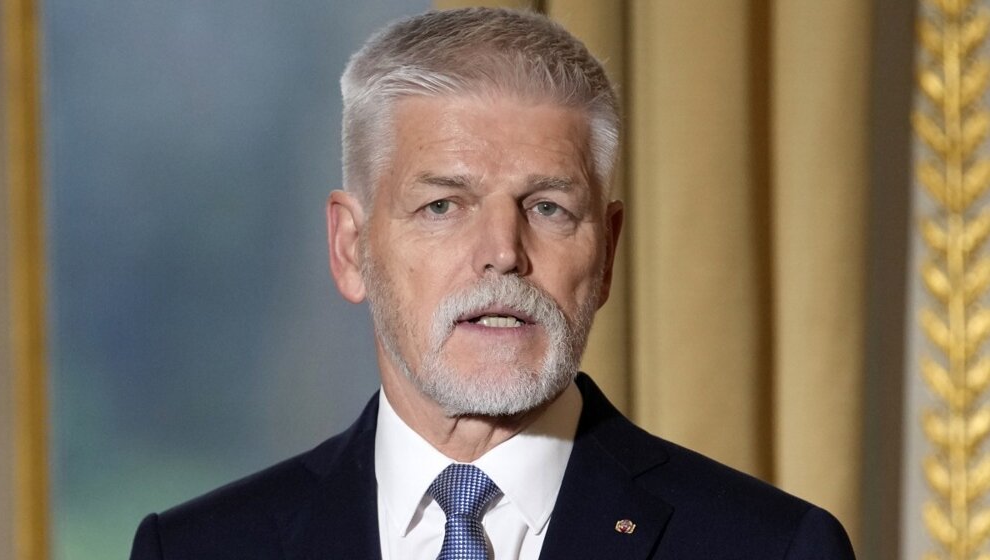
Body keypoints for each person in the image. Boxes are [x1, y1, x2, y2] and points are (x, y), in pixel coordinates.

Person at [129, 7, 855, 559]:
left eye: (548, 207)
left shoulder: (774, 548)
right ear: (351, 249)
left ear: (606, 254)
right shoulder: (195, 550)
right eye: (443, 206)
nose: (502, 253)